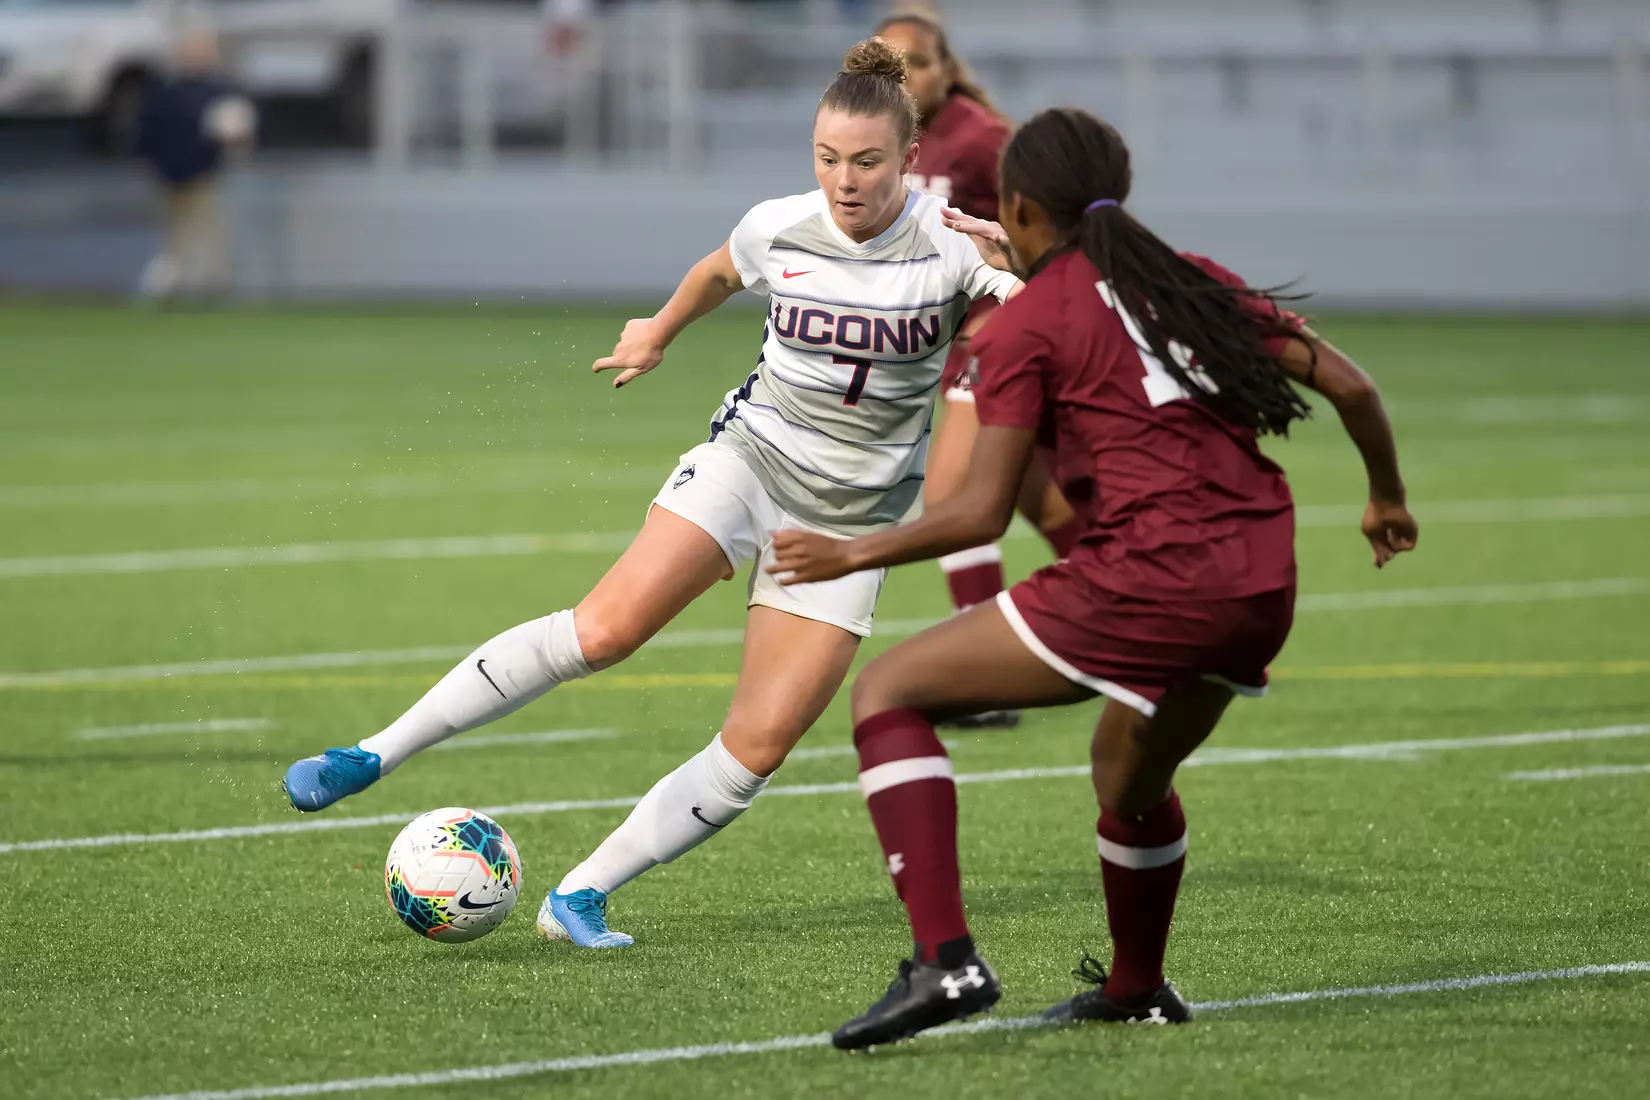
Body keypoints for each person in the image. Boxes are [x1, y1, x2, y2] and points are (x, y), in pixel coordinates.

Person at [282, 39, 1021, 950]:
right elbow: (719, 271)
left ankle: (580, 895)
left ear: (910, 159)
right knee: (605, 631)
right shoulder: (778, 225)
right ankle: (370, 753)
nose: (845, 180)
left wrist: (1019, 250)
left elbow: (1048, 300)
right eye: (828, 159)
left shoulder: (954, 246)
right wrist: (658, 331)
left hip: (851, 523)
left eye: (867, 161)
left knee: (756, 749)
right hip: (750, 461)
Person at [767, 107, 1418, 1048]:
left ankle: (944, 961)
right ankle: (1136, 989)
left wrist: (847, 550)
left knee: (889, 693)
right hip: (1259, 583)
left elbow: (977, 515)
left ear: (1020, 204)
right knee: (1128, 777)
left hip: (1152, 579)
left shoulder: (1027, 326)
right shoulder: (1193, 282)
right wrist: (1385, 500)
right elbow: (1353, 386)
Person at [877, 10, 1078, 729]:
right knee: (1040, 497)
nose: (907, 76)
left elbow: (1048, 231)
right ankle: (1161, 612)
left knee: (951, 491)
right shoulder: (875, 139)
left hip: (995, 332)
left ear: (946, 68)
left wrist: (1013, 312)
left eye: (920, 62)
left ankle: (984, 681)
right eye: (890, 62)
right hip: (942, 338)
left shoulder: (985, 139)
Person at [133, 25, 256, 300]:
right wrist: (147, 158)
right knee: (175, 235)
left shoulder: (219, 90)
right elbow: (147, 129)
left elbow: (237, 128)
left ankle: (213, 284)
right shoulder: (167, 90)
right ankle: (174, 284)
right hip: (169, 172)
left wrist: (237, 143)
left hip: (202, 171)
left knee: (208, 229)